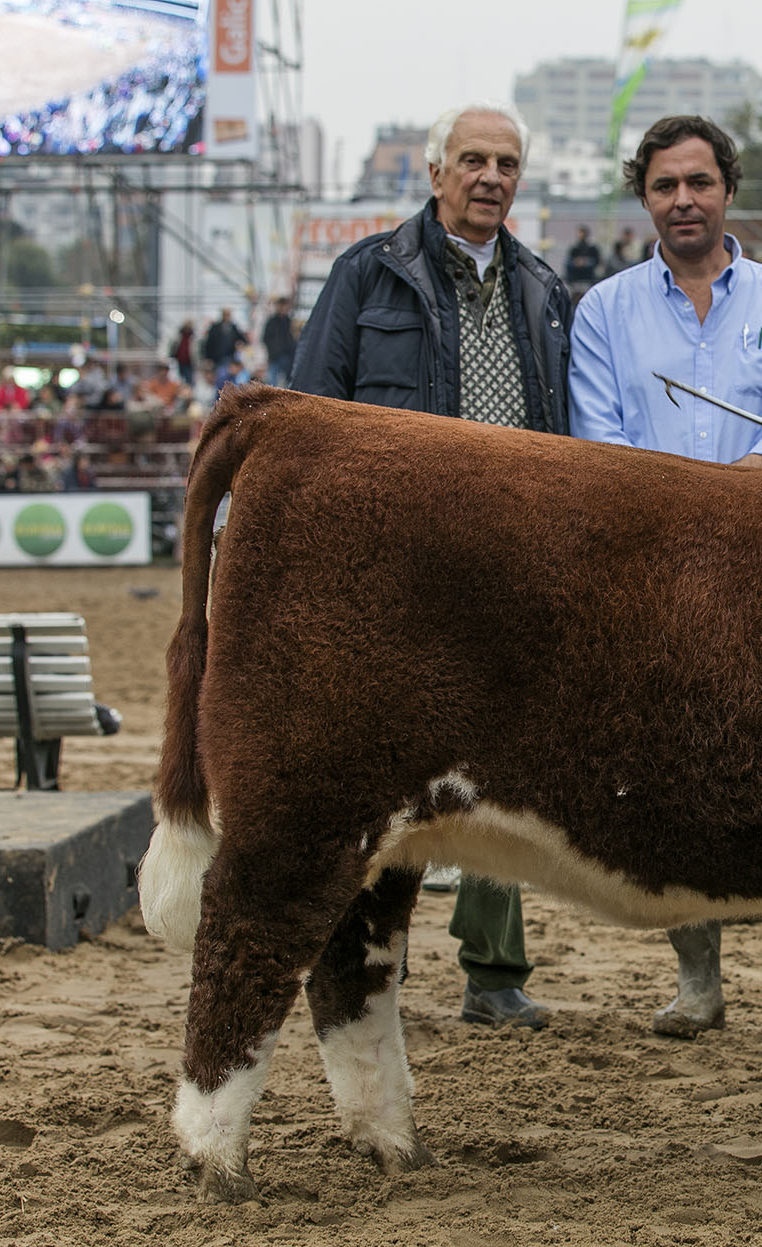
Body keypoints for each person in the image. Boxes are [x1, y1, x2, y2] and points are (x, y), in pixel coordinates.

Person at [571, 115, 762, 1039]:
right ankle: (697, 982)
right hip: (652, 577)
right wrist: (684, 517)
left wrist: (728, 503)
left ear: (727, 190)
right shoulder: (604, 311)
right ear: (645, 198)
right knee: (674, 776)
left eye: (699, 183)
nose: (683, 201)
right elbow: (600, 442)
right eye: (665, 186)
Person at [292, 99, 572, 1032]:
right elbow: (309, 415)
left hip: (511, 559)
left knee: (499, 769)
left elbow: (560, 429)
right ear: (435, 170)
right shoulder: (367, 274)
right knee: (382, 768)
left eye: (505, 164)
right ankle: (375, 965)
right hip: (395, 567)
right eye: (473, 160)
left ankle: (494, 973)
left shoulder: (541, 286)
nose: (490, 176)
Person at [202, 308, 245, 389]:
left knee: (231, 381)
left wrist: (240, 345)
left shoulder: (233, 327)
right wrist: (208, 358)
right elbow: (209, 343)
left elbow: (243, 339)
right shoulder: (215, 327)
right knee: (220, 380)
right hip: (218, 358)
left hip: (230, 358)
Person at [260, 297, 296, 383]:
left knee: (289, 381)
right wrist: (272, 350)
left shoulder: (289, 322)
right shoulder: (271, 322)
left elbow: (293, 338)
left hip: (288, 356)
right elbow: (265, 338)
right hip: (274, 356)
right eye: (282, 306)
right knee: (272, 381)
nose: (283, 308)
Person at [563, 225, 603, 295]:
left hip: (588, 276)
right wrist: (577, 262)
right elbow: (569, 260)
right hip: (575, 275)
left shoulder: (592, 248)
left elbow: (597, 261)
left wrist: (585, 262)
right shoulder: (574, 248)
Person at [170, 320, 196, 387]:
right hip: (179, 360)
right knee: (179, 378)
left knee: (189, 379)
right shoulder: (179, 335)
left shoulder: (193, 337)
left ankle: (188, 393)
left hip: (189, 361)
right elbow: (173, 346)